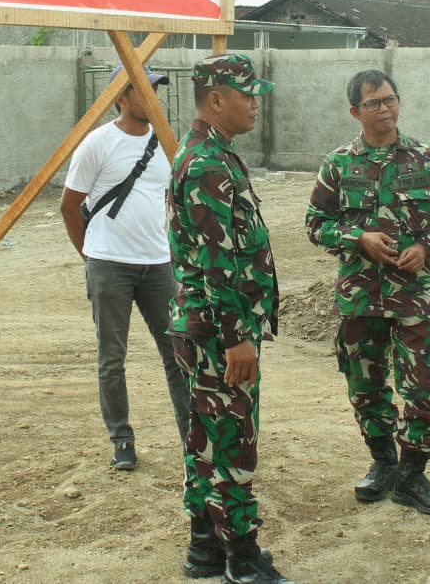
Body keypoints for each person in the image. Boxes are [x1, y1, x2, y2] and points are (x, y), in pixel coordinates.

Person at [306, 69, 430, 516]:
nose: (384, 109)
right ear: (355, 111)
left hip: (413, 296)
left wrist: (426, 249)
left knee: (424, 384)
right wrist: (358, 238)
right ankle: (383, 462)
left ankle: (413, 474)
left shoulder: (425, 159)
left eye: (390, 99)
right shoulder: (339, 163)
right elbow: (315, 223)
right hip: (360, 297)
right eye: (373, 103)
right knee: (365, 385)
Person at [168, 53, 292, 584]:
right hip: (219, 332)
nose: (255, 104)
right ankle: (242, 557)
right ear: (216, 99)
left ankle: (203, 547)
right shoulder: (207, 165)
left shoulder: (212, 154)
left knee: (206, 437)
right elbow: (216, 262)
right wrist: (237, 337)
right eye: (247, 95)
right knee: (233, 443)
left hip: (205, 327)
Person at [59, 64, 190, 471]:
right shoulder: (98, 144)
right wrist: (92, 256)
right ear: (120, 97)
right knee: (112, 358)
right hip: (110, 265)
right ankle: (122, 441)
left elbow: (171, 200)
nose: (153, 98)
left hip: (158, 265)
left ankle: (193, 441)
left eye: (156, 91)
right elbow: (69, 206)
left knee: (179, 352)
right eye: (143, 91)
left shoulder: (166, 143)